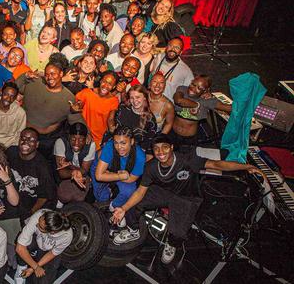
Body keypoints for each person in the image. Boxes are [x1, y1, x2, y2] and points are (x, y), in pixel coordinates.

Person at [111, 134, 265, 264]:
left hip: (187, 196)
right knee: (132, 204)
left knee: (177, 232)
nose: (160, 152)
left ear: (171, 147)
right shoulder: (151, 167)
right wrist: (123, 208)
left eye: (164, 147)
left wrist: (245, 167)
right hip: (164, 191)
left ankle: (171, 244)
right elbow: (140, 192)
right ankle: (133, 231)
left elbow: (217, 164)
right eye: (156, 149)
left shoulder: (187, 160)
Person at [16, 61, 77, 157]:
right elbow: (15, 88)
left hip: (47, 141)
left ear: (61, 74)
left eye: (53, 73)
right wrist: (25, 76)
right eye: (47, 74)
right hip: (23, 132)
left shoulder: (69, 97)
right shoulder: (35, 82)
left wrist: (87, 133)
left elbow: (75, 119)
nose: (50, 77)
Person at [92, 126, 146, 213]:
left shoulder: (140, 157)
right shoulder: (110, 146)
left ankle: (114, 207)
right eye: (116, 143)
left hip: (121, 174)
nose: (119, 147)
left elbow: (131, 179)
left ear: (131, 142)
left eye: (123, 143)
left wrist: (110, 175)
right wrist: (119, 175)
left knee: (129, 191)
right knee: (101, 197)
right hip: (103, 167)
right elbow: (98, 176)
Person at [7, 128, 56, 219]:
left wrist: (30, 214)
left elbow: (45, 196)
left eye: (31, 140)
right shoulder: (11, 152)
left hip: (34, 205)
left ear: (37, 144)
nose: (25, 142)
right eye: (23, 138)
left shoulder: (42, 167)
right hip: (15, 200)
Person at [172, 75, 230, 150]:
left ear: (205, 90)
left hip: (188, 140)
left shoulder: (207, 101)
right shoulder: (182, 89)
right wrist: (197, 105)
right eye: (193, 84)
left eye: (199, 88)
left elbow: (228, 108)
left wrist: (246, 100)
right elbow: (179, 101)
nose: (193, 88)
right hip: (172, 134)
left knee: (185, 159)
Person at [15, 210, 73, 284]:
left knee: (43, 281)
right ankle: (21, 267)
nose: (36, 225)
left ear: (52, 232)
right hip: (36, 238)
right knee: (21, 242)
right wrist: (36, 267)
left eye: (40, 226)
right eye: (39, 221)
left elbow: (53, 253)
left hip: (49, 250)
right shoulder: (40, 215)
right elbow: (20, 248)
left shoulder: (67, 236)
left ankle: (33, 258)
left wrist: (32, 269)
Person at [71, 71, 120, 149]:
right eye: (104, 82)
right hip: (83, 135)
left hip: (100, 140)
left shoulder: (114, 100)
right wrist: (73, 109)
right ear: (100, 81)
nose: (106, 86)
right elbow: (75, 109)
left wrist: (113, 129)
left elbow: (110, 120)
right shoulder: (87, 93)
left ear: (114, 87)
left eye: (110, 84)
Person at [54, 122, 96, 203]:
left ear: (86, 138)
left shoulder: (91, 145)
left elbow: (84, 171)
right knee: (64, 197)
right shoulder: (60, 142)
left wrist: (70, 166)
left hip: (81, 174)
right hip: (66, 175)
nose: (76, 143)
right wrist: (73, 172)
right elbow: (61, 172)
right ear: (69, 136)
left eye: (81, 139)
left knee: (79, 198)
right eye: (73, 139)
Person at [109, 85, 157, 154]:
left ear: (144, 98)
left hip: (133, 154)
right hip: (114, 147)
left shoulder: (150, 120)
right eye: (132, 98)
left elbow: (147, 145)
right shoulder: (123, 108)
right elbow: (112, 130)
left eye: (138, 97)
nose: (135, 101)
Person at [148, 37, 194, 101]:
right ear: (166, 47)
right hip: (150, 99)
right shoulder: (158, 57)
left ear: (181, 52)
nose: (172, 49)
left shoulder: (185, 71)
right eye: (170, 46)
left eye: (177, 48)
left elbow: (192, 90)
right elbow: (151, 74)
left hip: (166, 106)